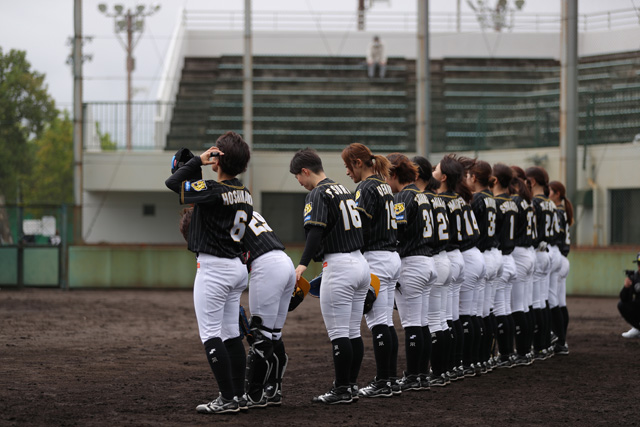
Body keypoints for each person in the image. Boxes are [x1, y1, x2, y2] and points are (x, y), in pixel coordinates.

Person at [165, 131, 253, 415]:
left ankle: (227, 398)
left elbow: (173, 183)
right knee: (231, 334)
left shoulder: (214, 189)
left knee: (211, 335)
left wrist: (199, 161)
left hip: (215, 269)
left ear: (219, 158)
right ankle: (238, 396)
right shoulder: (246, 193)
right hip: (237, 268)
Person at [289, 148, 371, 405]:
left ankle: (342, 389)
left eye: (297, 176)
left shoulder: (317, 193)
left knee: (339, 333)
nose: (299, 181)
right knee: (353, 331)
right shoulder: (344, 189)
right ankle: (350, 386)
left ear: (305, 171)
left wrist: (302, 264)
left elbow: (315, 232)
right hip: (360, 264)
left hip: (339, 266)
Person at [341, 143, 402, 398]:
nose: (347, 172)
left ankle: (384, 381)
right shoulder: (383, 185)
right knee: (386, 322)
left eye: (348, 166)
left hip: (376, 258)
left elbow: (360, 228)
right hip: (391, 256)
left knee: (378, 323)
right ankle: (389, 379)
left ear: (358, 162)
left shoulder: (365, 187)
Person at [385, 153, 437, 391]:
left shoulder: (403, 196)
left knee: (412, 324)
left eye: (386, 176)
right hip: (427, 261)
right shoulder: (423, 195)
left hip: (411, 263)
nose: (385, 181)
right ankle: (421, 375)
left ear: (395, 173)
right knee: (422, 323)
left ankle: (414, 376)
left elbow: (397, 231)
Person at [242, 211, 296, 408]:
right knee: (273, 334)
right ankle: (274, 389)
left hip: (266, 265)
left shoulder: (225, 212)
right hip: (286, 262)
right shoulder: (249, 210)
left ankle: (254, 394)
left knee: (260, 333)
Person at [413, 156, 451, 387]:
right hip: (443, 258)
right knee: (440, 319)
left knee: (429, 322)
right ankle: (442, 371)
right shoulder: (437, 198)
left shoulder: (419, 198)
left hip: (430, 258)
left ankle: (433, 373)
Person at [525, 166, 557, 360]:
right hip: (548, 251)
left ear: (533, 181)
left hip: (537, 251)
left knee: (536, 302)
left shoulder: (535, 202)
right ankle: (544, 345)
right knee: (542, 300)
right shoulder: (550, 202)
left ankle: (539, 345)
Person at [548, 181, 572, 353]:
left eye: (550, 191)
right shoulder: (562, 211)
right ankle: (562, 341)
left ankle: (560, 340)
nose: (547, 193)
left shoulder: (557, 211)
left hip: (558, 257)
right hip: (563, 259)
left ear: (557, 194)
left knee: (553, 301)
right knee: (560, 302)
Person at [618, 252, 640, 338]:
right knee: (622, 305)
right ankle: (637, 328)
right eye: (639, 264)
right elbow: (625, 299)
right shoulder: (635, 277)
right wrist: (626, 288)